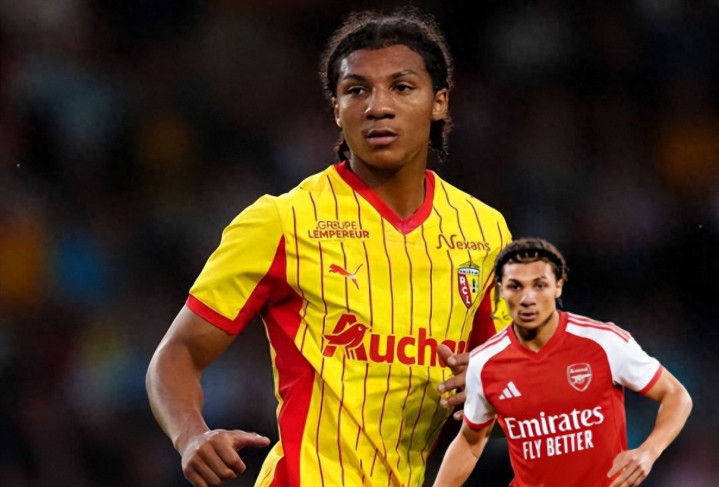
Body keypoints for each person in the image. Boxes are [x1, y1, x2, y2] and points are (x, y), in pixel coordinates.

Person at [145, 6, 513, 487]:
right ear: (336, 108)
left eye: (402, 87)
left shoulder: (485, 232)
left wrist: (494, 395)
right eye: (357, 90)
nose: (377, 107)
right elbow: (177, 354)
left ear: (439, 102)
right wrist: (191, 435)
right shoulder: (282, 221)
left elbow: (509, 394)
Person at [432, 237, 693, 487]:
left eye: (539, 285)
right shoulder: (484, 362)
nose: (528, 298)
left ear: (558, 286)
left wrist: (649, 451)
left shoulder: (604, 342)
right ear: (501, 291)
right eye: (515, 286)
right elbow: (470, 442)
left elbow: (676, 395)